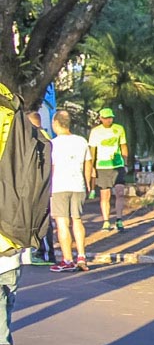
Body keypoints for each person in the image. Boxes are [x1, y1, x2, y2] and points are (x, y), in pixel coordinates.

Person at [48, 110, 92, 272]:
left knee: (62, 223)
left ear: (56, 124)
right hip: (78, 185)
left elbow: (51, 167)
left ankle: (67, 259)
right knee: (77, 220)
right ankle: (81, 256)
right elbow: (88, 164)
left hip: (59, 186)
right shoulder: (81, 141)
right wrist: (88, 184)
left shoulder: (53, 144)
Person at [88, 107, 128, 232]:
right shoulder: (95, 131)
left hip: (117, 165)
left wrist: (125, 163)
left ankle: (119, 219)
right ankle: (106, 221)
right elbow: (92, 150)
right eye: (105, 118)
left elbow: (123, 145)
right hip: (102, 166)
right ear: (101, 119)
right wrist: (92, 167)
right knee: (105, 195)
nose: (108, 120)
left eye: (110, 118)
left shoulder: (119, 129)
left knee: (120, 192)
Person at [26, 111, 55, 265]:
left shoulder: (37, 138)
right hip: (44, 185)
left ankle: (40, 252)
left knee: (39, 219)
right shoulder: (46, 137)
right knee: (43, 219)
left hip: (38, 186)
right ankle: (46, 253)